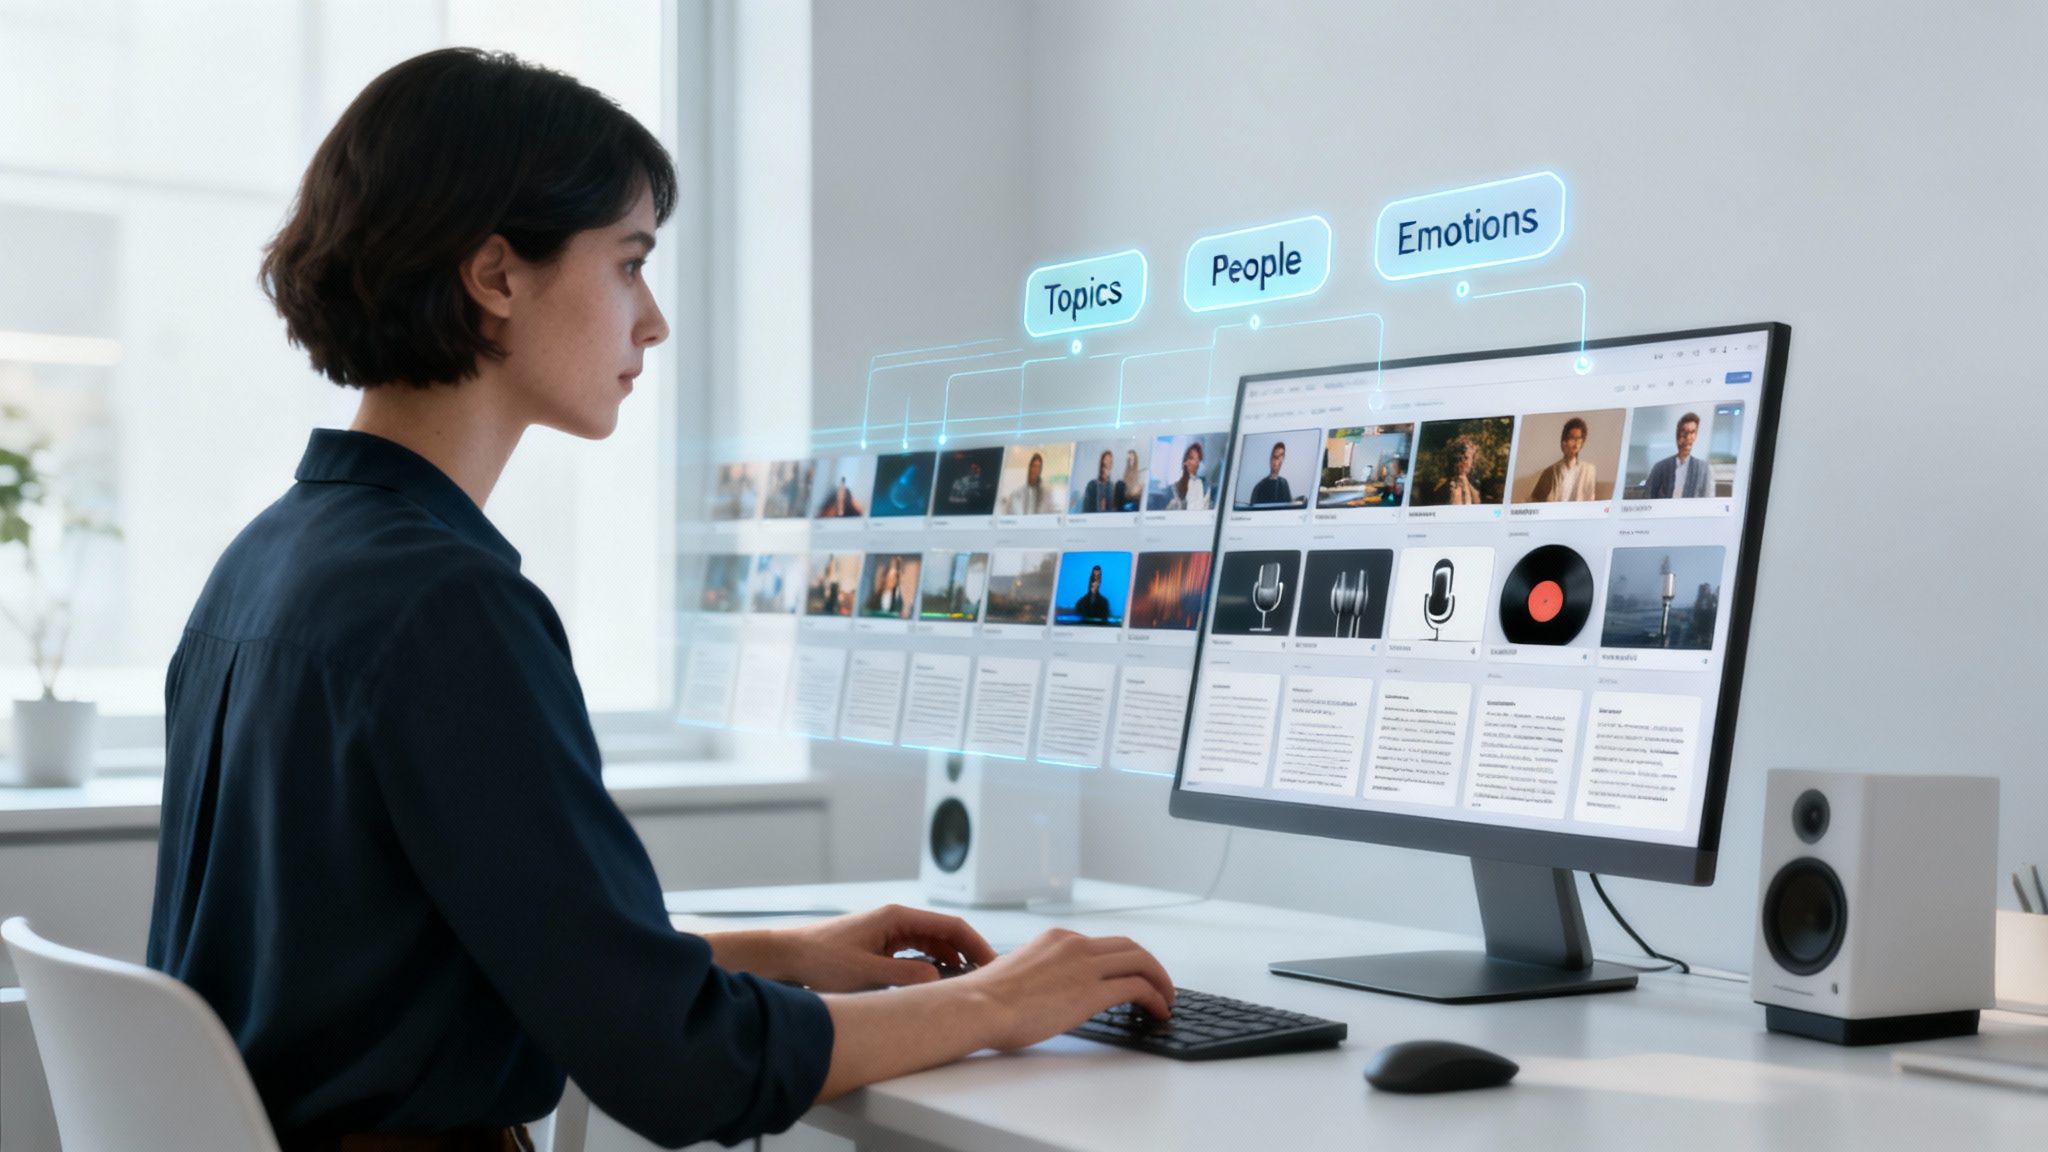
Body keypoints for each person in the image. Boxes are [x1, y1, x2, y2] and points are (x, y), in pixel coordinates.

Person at [144, 48, 1172, 1152]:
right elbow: (682, 1069)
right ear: (494, 275)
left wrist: (775, 950)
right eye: (628, 263)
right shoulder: (443, 605)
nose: (653, 320)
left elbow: (412, 963)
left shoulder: (271, 561)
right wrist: (994, 1004)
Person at [1528, 417, 1598, 502]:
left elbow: (1590, 500)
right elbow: (1535, 499)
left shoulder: (1589, 470)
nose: (1576, 443)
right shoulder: (1550, 471)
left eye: (1579, 438)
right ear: (1564, 441)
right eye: (1572, 438)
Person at [1644, 411, 1710, 498]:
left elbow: (1706, 500)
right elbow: (1648, 496)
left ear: (1696, 435)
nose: (1688, 437)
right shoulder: (1660, 467)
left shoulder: (1703, 469)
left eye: (1692, 432)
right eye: (1684, 432)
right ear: (1677, 434)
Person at [1432, 435, 1482, 504]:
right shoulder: (1446, 487)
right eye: (1457, 459)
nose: (1462, 462)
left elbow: (1477, 502)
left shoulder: (1473, 484)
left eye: (1466, 458)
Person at [1163, 440, 1210, 511]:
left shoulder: (1205, 486)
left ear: (1199, 462)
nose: (1188, 462)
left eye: (1192, 458)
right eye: (1188, 458)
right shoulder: (1175, 487)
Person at [1001, 451, 1052, 515]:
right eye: (1034, 466)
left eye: (1038, 467)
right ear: (1030, 467)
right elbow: (1008, 511)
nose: (1036, 470)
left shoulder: (1046, 492)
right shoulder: (1018, 491)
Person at [1248, 439, 1294, 506]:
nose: (1279, 461)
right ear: (1271, 459)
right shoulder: (1260, 487)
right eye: (1276, 457)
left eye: (1282, 456)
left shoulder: (1284, 483)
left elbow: (1289, 506)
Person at [1077, 449, 1117, 513]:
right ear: (1102, 462)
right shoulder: (1093, 484)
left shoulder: (1111, 486)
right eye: (1106, 459)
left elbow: (1111, 505)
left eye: (1110, 460)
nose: (1109, 462)